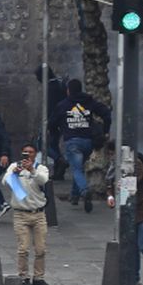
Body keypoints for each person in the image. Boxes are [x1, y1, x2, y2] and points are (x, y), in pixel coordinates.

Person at [52, 78, 111, 210]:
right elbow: (106, 113)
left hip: (72, 142)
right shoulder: (89, 102)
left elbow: (52, 123)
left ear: (68, 91)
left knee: (77, 169)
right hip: (88, 142)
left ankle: (84, 191)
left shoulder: (63, 105)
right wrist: (106, 130)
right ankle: (74, 196)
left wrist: (59, 130)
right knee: (78, 167)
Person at [1, 142, 51, 285]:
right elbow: (5, 182)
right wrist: (16, 173)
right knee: (23, 248)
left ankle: (38, 277)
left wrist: (32, 170)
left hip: (38, 214)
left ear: (35, 154)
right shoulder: (14, 167)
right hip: (20, 214)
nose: (28, 154)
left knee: (41, 248)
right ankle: (23, 276)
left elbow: (43, 180)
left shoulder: (41, 168)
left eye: (30, 152)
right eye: (25, 152)